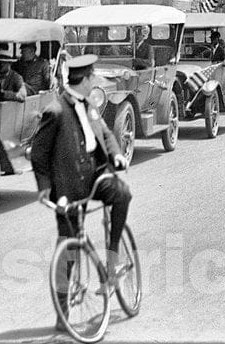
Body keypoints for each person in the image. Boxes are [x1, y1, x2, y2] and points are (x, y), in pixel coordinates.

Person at [32, 54, 130, 333]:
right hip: (69, 187)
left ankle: (112, 264)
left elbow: (106, 134)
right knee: (69, 249)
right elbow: (38, 154)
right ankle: (62, 317)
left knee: (122, 193)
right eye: (93, 79)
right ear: (84, 81)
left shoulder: (90, 104)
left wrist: (117, 156)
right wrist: (44, 188)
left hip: (96, 175)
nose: (95, 83)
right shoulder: (56, 111)